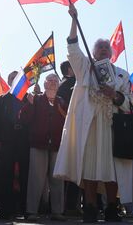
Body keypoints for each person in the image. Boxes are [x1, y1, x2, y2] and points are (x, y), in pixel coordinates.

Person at [54, 4, 132, 223]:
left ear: (112, 53)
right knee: (89, 170)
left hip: (111, 128)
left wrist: (115, 96)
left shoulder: (122, 76)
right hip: (89, 126)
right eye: (99, 48)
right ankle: (89, 208)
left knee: (112, 171)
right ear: (94, 52)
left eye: (107, 48)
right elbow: (72, 48)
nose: (103, 50)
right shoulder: (84, 67)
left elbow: (130, 102)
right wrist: (73, 20)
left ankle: (112, 209)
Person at [20, 73, 66, 221]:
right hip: (38, 144)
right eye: (49, 81)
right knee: (36, 178)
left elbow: (68, 121)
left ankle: (57, 212)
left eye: (55, 81)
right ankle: (31, 211)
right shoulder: (36, 99)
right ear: (44, 84)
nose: (52, 83)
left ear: (58, 85)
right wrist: (30, 104)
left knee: (57, 179)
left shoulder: (62, 101)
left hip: (57, 145)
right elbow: (24, 119)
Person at [0, 71, 30, 219]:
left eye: (17, 78)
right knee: (6, 175)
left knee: (25, 175)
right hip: (7, 140)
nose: (14, 80)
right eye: (11, 78)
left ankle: (25, 209)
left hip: (24, 140)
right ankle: (5, 210)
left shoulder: (28, 98)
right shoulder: (2, 99)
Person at [57, 61, 82, 216]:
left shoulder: (62, 84)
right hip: (72, 129)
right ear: (69, 69)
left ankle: (68, 205)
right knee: (73, 169)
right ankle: (70, 205)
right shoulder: (70, 83)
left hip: (66, 131)